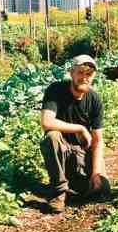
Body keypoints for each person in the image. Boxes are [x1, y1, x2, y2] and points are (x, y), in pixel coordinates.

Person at [40, 54, 110, 213]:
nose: (84, 77)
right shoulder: (56, 90)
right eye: (80, 72)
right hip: (62, 151)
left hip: (81, 153)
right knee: (51, 136)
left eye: (89, 74)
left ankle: (75, 184)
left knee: (103, 190)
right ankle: (59, 192)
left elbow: (98, 141)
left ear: (93, 77)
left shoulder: (94, 99)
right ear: (71, 73)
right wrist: (80, 128)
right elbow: (46, 123)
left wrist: (96, 173)